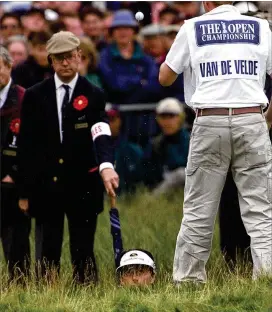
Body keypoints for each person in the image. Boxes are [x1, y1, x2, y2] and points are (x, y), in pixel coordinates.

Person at [159, 1, 272, 283]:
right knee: (260, 208)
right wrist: (268, 117)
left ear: (206, 2)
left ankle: (188, 280)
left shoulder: (192, 27)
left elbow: (164, 77)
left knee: (199, 208)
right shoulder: (261, 27)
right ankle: (267, 277)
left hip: (210, 119)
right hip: (251, 118)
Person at [17, 31, 119, 285]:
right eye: (59, 58)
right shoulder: (33, 95)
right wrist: (24, 191)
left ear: (79, 57)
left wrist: (106, 165)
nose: (65, 63)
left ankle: (86, 292)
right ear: (50, 61)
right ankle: (47, 294)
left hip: (83, 183)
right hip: (45, 184)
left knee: (82, 247)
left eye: (70, 57)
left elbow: (101, 131)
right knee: (47, 247)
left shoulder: (94, 93)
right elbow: (26, 145)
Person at [0, 47, 31, 282]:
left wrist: (17, 177)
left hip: (15, 186)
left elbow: (34, 147)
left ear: (8, 66)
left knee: (17, 250)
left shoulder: (25, 99)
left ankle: (21, 294)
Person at [143, 98, 190, 195]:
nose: (167, 121)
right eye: (163, 117)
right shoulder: (155, 143)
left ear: (180, 118)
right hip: (163, 188)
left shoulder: (190, 140)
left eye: (171, 116)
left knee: (181, 174)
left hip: (188, 187)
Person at [107, 106, 144, 194]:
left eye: (111, 119)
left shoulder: (133, 150)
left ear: (119, 121)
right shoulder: (89, 152)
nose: (107, 124)